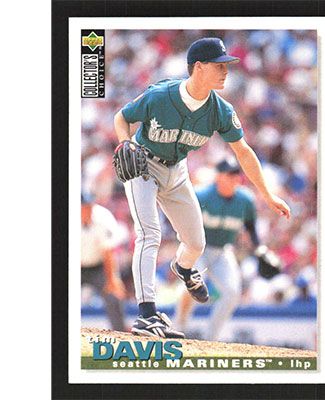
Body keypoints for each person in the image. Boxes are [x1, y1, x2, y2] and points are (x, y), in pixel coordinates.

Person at [113, 37, 291, 339]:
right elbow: (122, 117)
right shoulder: (160, 95)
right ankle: (146, 314)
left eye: (226, 66)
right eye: (219, 66)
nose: (225, 71)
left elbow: (243, 152)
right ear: (199, 67)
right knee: (149, 233)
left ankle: (183, 268)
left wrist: (266, 193)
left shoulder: (220, 110)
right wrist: (124, 143)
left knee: (196, 243)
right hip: (144, 165)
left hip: (177, 171)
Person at [174, 159, 280, 341]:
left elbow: (250, 227)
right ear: (218, 176)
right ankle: (179, 327)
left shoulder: (245, 200)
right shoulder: (201, 195)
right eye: (229, 174)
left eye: (236, 174)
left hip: (222, 251)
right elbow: (181, 220)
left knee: (232, 293)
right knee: (190, 287)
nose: (234, 178)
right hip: (197, 250)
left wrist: (260, 249)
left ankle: (211, 339)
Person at [81, 193, 126, 331]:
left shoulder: (102, 217)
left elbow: (108, 252)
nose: (87, 209)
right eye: (83, 207)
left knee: (113, 295)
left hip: (99, 266)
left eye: (89, 206)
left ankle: (119, 333)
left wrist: (113, 279)